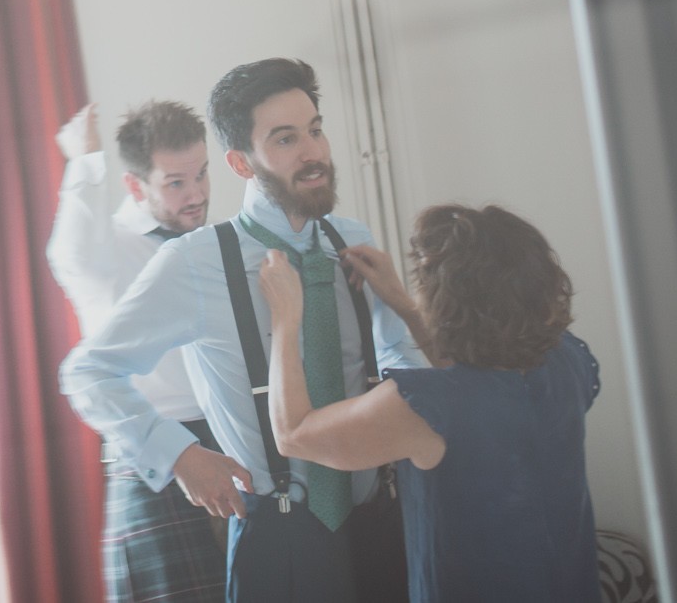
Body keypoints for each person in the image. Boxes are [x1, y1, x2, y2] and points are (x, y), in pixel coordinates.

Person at [61, 58, 422, 603]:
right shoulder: (195, 262)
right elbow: (89, 371)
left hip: (380, 527)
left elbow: (400, 358)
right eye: (285, 139)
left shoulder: (353, 240)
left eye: (315, 130)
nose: (313, 152)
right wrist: (179, 454)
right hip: (277, 542)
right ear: (240, 163)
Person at [258, 205, 603, 603]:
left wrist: (285, 319)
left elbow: (294, 434)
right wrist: (405, 307)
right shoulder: (569, 361)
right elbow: (483, 373)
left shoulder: (426, 407)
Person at [45, 100, 225, 603]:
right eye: (175, 182)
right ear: (135, 185)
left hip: (230, 445)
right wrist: (85, 160)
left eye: (201, 174)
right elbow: (69, 251)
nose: (197, 194)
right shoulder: (105, 252)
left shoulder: (214, 242)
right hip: (156, 459)